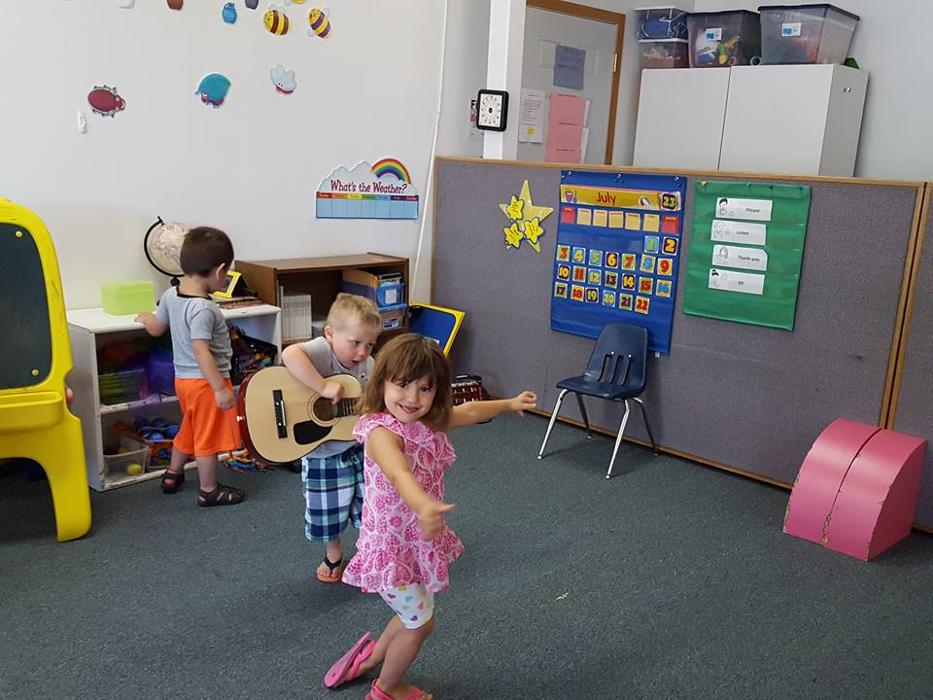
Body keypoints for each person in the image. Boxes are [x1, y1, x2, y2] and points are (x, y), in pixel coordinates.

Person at [323, 334, 536, 700]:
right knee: (420, 623)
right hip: (391, 547)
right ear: (382, 382)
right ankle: (386, 689)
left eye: (425, 389)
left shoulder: (424, 423)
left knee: (412, 612)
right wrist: (423, 505)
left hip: (411, 541)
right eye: (402, 385)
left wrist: (507, 403)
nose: (412, 398)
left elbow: (468, 412)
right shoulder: (379, 433)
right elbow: (398, 473)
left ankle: (372, 658)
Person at [136, 226, 244, 506]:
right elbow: (201, 351)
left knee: (191, 427)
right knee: (207, 437)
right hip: (206, 383)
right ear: (220, 271)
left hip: (183, 382)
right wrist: (220, 388)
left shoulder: (171, 296)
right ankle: (208, 489)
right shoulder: (204, 309)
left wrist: (147, 318)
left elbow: (157, 328)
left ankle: (173, 473)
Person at [281, 293, 382, 583]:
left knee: (370, 503)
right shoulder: (322, 351)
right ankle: (334, 552)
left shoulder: (369, 365)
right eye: (355, 343)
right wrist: (322, 386)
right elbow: (290, 355)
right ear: (330, 334)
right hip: (322, 453)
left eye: (370, 344)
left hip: (358, 449)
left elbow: (370, 400)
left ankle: (369, 551)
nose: (362, 352)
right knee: (328, 510)